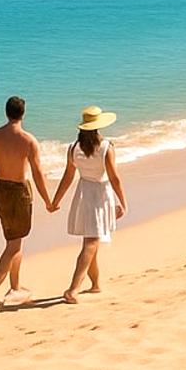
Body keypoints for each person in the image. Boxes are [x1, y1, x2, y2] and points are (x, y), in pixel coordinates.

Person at [46, 105, 127, 304]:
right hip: (100, 194)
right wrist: (123, 202)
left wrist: (56, 200)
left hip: (83, 193)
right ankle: (73, 289)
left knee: (90, 243)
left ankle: (96, 284)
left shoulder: (74, 148)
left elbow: (68, 176)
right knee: (91, 242)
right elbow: (114, 178)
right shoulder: (107, 147)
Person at [0, 96, 53, 309]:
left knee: (14, 240)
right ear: (23, 113)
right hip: (20, 191)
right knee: (14, 244)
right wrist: (48, 200)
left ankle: (15, 286)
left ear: (6, 112)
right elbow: (38, 174)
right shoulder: (28, 140)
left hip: (0, 190)